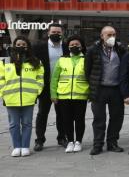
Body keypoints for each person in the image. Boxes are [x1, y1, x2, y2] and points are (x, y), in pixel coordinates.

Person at [85, 26, 127, 155]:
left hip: (116, 90)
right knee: (99, 118)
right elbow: (88, 70)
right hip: (100, 89)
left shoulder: (121, 49)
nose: (111, 37)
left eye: (113, 34)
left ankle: (112, 143)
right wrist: (93, 84)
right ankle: (98, 144)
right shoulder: (92, 50)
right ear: (102, 36)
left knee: (116, 118)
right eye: (108, 35)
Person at [1, 37, 44, 157]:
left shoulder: (36, 62)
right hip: (10, 98)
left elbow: (40, 78)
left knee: (27, 123)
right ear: (14, 45)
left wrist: (37, 91)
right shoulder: (6, 61)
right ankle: (16, 146)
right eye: (18, 44)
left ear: (28, 46)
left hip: (28, 98)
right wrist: (3, 93)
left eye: (23, 44)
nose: (21, 46)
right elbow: (1, 79)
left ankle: (25, 146)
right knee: (13, 124)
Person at [51, 35, 89, 153]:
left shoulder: (87, 59)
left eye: (76, 44)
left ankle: (78, 141)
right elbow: (54, 78)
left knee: (79, 119)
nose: (74, 46)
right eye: (71, 45)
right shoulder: (62, 60)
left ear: (82, 46)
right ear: (68, 47)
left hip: (81, 95)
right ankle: (70, 142)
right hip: (64, 95)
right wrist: (53, 94)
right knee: (66, 120)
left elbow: (91, 77)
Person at [33, 23, 68, 151]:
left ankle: (62, 138)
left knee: (62, 114)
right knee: (42, 114)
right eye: (53, 32)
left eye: (58, 32)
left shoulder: (66, 47)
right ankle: (39, 140)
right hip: (45, 86)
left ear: (62, 33)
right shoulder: (39, 47)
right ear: (48, 33)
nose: (56, 34)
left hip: (62, 86)